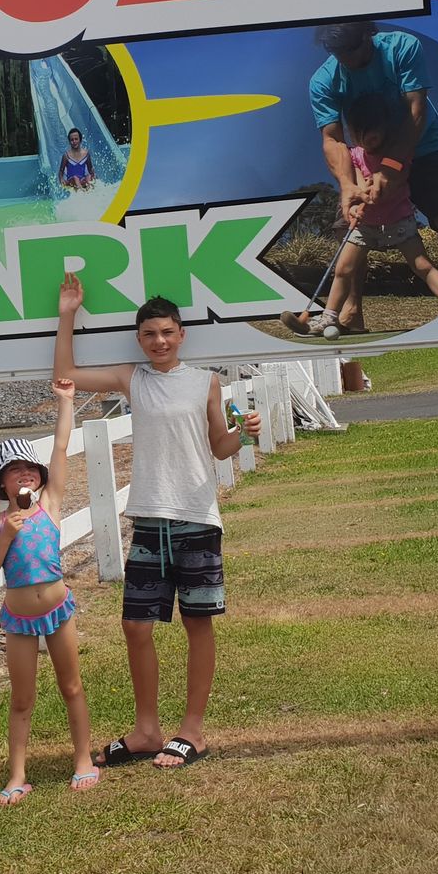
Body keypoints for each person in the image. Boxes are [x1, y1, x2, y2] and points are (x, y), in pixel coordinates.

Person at [55, 273, 258, 770]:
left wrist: (245, 434)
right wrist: (67, 314)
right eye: (149, 334)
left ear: (181, 333)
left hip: (196, 517)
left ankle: (192, 731)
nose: (159, 342)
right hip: (149, 519)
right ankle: (147, 731)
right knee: (135, 626)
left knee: (196, 622)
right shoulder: (132, 378)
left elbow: (219, 446)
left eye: (167, 332)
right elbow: (66, 373)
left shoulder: (206, 381)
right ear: (139, 339)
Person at [308, 20, 438, 331]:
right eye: (336, 52)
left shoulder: (402, 47)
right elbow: (332, 139)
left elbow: (416, 110)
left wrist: (394, 166)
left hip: (424, 148)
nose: (345, 59)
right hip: (366, 161)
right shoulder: (323, 81)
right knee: (351, 229)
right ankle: (350, 313)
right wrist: (347, 184)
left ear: (367, 33)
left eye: (351, 49)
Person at [0, 379, 97, 803]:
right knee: (22, 697)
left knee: (72, 686)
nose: (24, 476)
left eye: (29, 469)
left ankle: (83, 759)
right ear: (2, 484)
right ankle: (17, 775)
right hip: (18, 618)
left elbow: (61, 448)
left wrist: (66, 402)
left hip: (58, 608)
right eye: (14, 472)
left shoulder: (50, 505)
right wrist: (6, 534)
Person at [297, 93, 438, 334]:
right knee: (343, 269)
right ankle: (328, 318)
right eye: (360, 131)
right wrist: (354, 205)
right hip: (365, 226)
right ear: (352, 132)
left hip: (399, 220)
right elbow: (358, 185)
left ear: (385, 127)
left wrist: (379, 186)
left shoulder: (396, 153)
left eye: (372, 129)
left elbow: (397, 177)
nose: (368, 136)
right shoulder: (353, 156)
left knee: (422, 265)